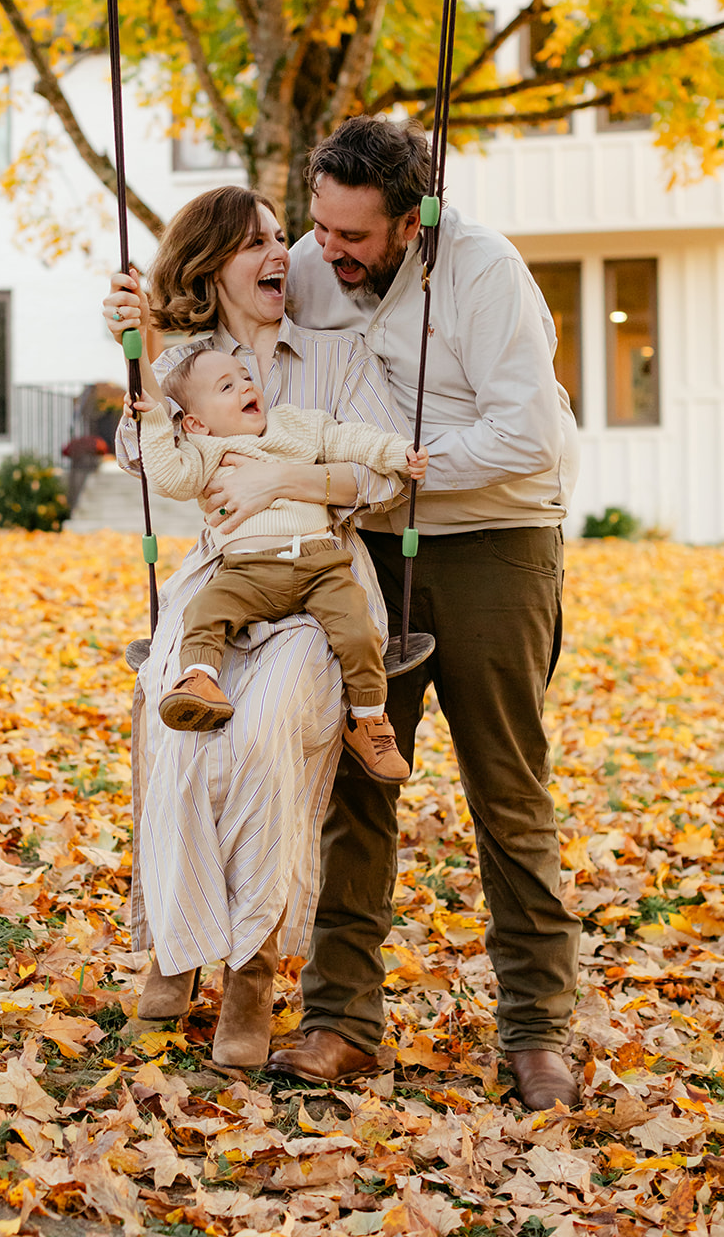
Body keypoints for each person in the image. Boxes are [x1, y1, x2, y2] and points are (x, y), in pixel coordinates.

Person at [253, 114, 581, 1110]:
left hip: (493, 543)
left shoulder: (483, 274)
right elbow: (235, 319)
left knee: (506, 792)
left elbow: (523, 430)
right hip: (368, 553)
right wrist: (145, 314)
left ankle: (535, 1031)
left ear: (410, 219)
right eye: (320, 226)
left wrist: (406, 465)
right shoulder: (317, 262)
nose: (328, 251)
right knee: (360, 780)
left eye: (352, 235)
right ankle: (340, 1021)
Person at [103, 185, 411, 1069]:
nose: (281, 252)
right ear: (212, 265)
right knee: (179, 724)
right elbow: (144, 459)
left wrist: (282, 483)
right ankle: (175, 938)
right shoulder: (186, 360)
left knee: (271, 728)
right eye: (257, 242)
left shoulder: (336, 357)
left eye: (283, 236)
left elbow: (380, 479)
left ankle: (248, 970)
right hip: (220, 581)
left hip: (321, 578)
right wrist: (137, 349)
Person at [128, 345, 426, 785]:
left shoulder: (297, 426)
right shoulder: (203, 450)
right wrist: (153, 417)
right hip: (247, 570)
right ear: (196, 422)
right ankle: (200, 679)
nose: (246, 385)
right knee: (204, 610)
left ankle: (368, 720)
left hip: (321, 563)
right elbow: (168, 476)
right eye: (227, 386)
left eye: (246, 376)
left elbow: (350, 439)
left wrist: (397, 452)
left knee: (359, 630)